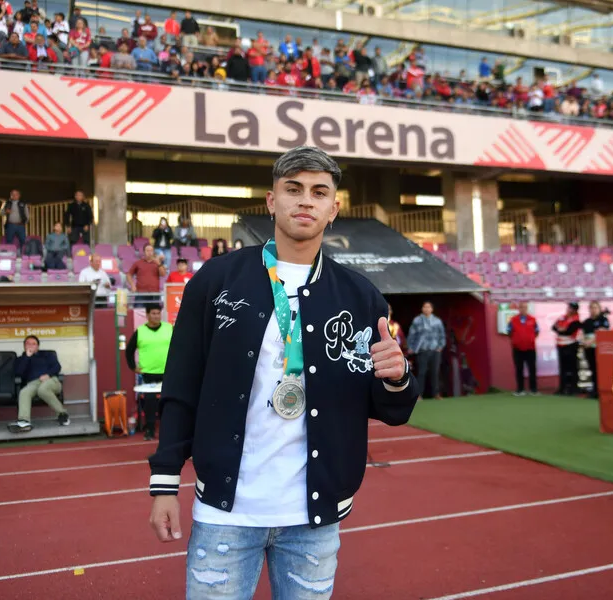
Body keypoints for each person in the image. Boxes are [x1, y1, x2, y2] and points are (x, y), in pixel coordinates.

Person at [146, 146, 420, 599]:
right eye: (292, 190)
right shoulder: (215, 281)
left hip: (314, 519)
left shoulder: (361, 296)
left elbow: (393, 409)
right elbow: (181, 388)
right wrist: (165, 482)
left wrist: (396, 377)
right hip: (226, 513)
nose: (304, 201)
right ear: (271, 201)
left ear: (334, 209)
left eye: (318, 192)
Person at [125, 303, 173, 441]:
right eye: (153, 313)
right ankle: (150, 430)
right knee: (150, 403)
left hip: (168, 373)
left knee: (169, 401)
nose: (156, 316)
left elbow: (180, 346)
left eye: (158, 313)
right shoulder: (140, 331)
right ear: (147, 315)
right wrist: (133, 367)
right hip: (148, 374)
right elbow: (129, 350)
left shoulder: (169, 328)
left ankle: (169, 430)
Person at [10, 335, 68, 432]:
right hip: (33, 383)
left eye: (33, 344)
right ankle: (24, 421)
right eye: (28, 344)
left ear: (38, 346)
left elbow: (57, 367)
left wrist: (48, 375)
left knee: (43, 389)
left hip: (50, 380)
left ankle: (62, 413)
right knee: (24, 392)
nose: (31, 346)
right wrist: (27, 357)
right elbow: (18, 372)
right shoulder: (21, 359)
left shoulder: (47, 355)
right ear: (24, 346)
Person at [407, 301, 446, 399]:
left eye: (429, 307)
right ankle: (419, 394)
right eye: (425, 307)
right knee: (421, 372)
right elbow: (412, 335)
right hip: (422, 350)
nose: (427, 309)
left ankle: (436, 393)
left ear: (432, 309)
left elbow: (442, 335)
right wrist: (411, 347)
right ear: (422, 308)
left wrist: (440, 346)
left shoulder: (437, 321)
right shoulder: (417, 320)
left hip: (435, 350)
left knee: (435, 372)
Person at [507, 301, 539, 396]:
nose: (523, 309)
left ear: (527, 308)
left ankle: (533, 390)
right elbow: (509, 332)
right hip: (517, 349)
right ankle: (520, 390)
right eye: (521, 307)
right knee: (519, 369)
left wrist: (530, 340)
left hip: (530, 348)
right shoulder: (513, 320)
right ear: (518, 308)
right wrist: (516, 341)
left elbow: (537, 331)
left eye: (525, 307)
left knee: (532, 369)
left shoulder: (532, 319)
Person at [581, 301, 610, 398]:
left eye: (595, 308)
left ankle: (602, 390)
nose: (593, 310)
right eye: (592, 308)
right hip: (589, 349)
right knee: (592, 369)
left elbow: (602, 331)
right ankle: (594, 390)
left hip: (599, 349)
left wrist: (591, 341)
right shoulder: (586, 322)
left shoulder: (603, 320)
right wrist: (584, 342)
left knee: (600, 370)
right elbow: (582, 333)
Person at [553, 302, 582, 395]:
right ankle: (562, 388)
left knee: (572, 368)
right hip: (561, 345)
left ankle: (573, 388)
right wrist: (561, 329)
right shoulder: (562, 317)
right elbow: (553, 327)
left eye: (570, 308)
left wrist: (562, 329)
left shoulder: (576, 320)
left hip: (571, 346)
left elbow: (569, 331)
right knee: (562, 368)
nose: (568, 309)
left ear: (575, 310)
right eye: (568, 307)